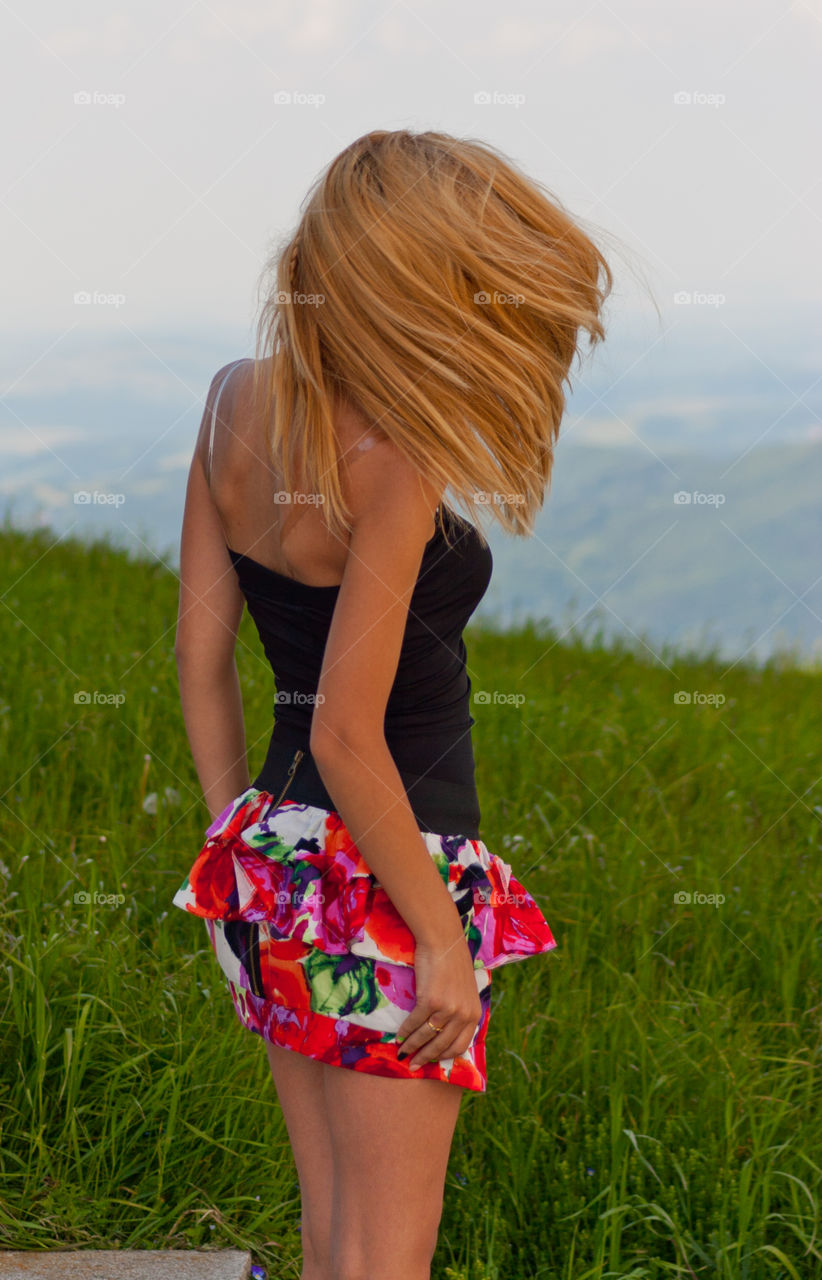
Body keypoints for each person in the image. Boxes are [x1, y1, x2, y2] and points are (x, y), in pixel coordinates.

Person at [172, 128, 612, 1280]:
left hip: (278, 860)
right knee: (387, 1258)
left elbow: (200, 654)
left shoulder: (231, 403)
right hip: (388, 867)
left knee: (333, 1240)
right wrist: (441, 942)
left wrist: (237, 846)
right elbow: (348, 731)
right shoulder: (393, 456)